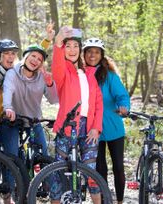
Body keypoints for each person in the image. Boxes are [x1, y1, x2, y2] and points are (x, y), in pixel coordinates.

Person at [51, 26, 103, 204]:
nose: (72, 50)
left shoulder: (89, 73)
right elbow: (56, 67)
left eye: (75, 46)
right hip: (67, 127)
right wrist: (57, 44)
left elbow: (98, 104)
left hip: (89, 129)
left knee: (91, 172)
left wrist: (96, 127)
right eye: (68, 46)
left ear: (80, 49)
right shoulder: (63, 71)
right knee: (58, 173)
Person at [82, 38, 130, 204]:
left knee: (118, 167)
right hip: (92, 129)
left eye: (96, 52)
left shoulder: (109, 76)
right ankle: (102, 200)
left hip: (113, 127)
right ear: (84, 54)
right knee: (99, 168)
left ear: (101, 55)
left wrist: (124, 106)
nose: (92, 55)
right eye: (89, 51)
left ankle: (120, 201)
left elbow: (121, 95)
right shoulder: (81, 74)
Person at [2, 44, 58, 157]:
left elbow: (53, 100)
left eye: (39, 59)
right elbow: (8, 90)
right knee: (12, 158)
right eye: (33, 56)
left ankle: (39, 173)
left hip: (33, 121)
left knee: (43, 155)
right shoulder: (12, 73)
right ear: (26, 57)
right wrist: (8, 107)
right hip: (13, 120)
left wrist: (50, 84)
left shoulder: (42, 77)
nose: (35, 60)